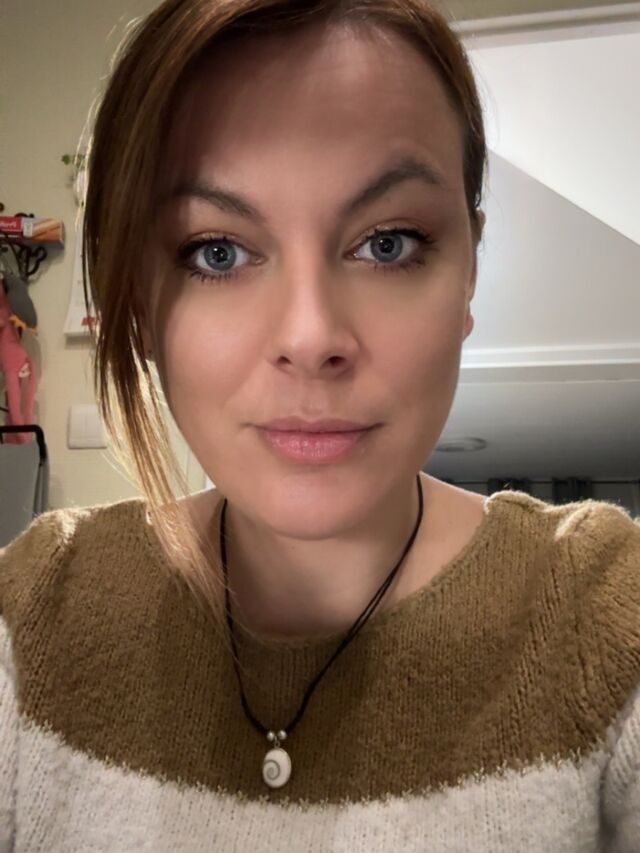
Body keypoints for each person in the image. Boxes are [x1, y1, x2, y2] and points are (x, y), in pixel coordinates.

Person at [1, 0, 639, 850]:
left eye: (388, 243)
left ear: (469, 272)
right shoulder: (39, 612)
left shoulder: (604, 608)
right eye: (217, 251)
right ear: (140, 304)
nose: (310, 337)